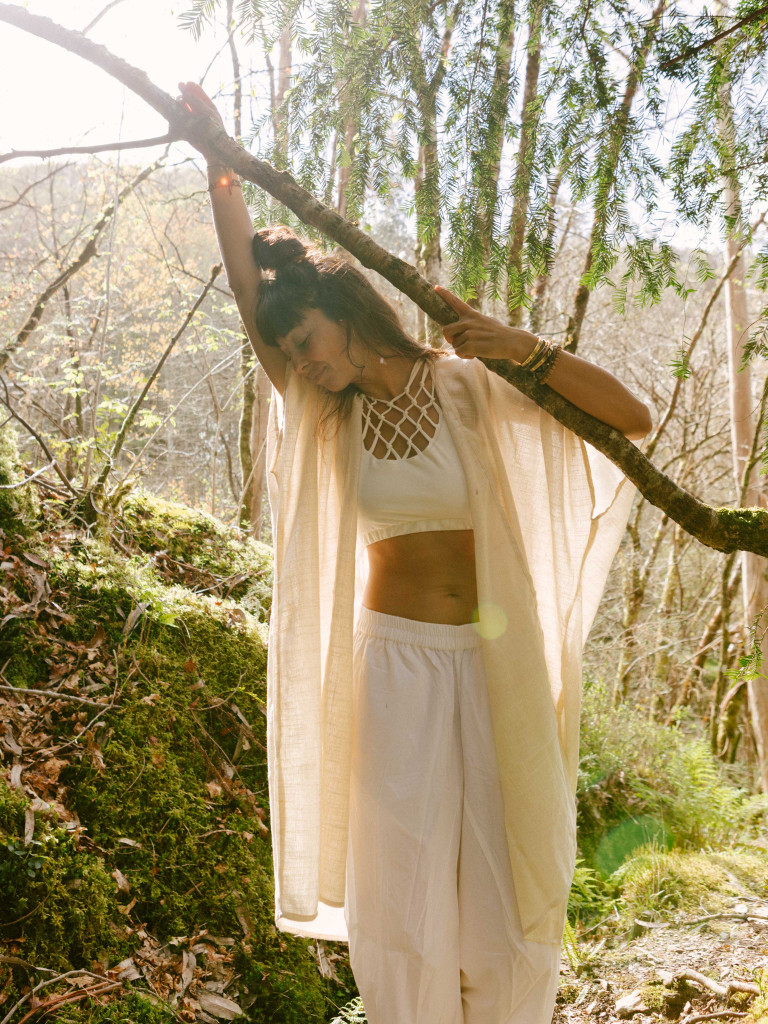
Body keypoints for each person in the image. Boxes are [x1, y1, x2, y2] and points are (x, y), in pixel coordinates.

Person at [178, 81, 652, 1024]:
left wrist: (524, 349)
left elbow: (631, 419)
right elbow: (245, 291)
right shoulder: (328, 417)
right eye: (290, 354)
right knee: (401, 887)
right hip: (391, 666)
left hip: (495, 662)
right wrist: (219, 166)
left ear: (346, 311)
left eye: (307, 341)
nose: (302, 363)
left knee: (505, 884)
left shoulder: (472, 386)